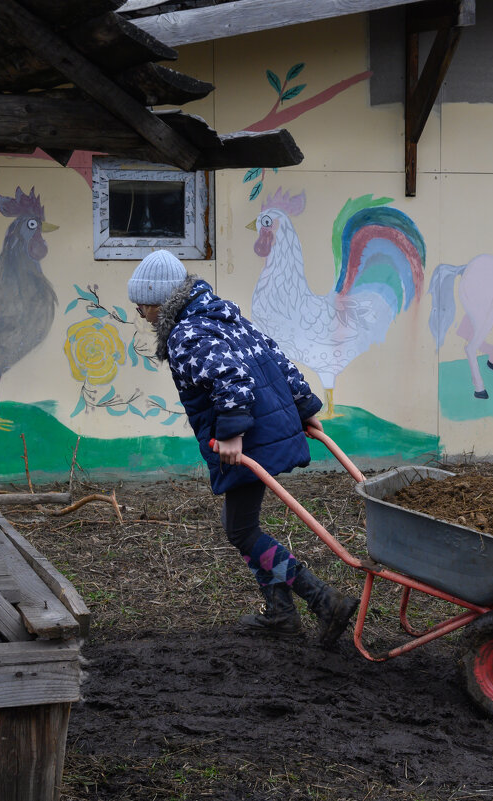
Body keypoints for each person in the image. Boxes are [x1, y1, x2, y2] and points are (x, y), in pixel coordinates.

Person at [128, 250, 357, 647]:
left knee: (240, 529)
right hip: (265, 430)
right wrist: (303, 407)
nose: (138, 309)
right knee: (242, 526)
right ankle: (282, 614)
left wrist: (232, 433)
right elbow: (275, 357)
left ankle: (323, 599)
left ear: (161, 299)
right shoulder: (222, 316)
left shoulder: (186, 332)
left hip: (247, 438)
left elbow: (230, 377)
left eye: (143, 301)